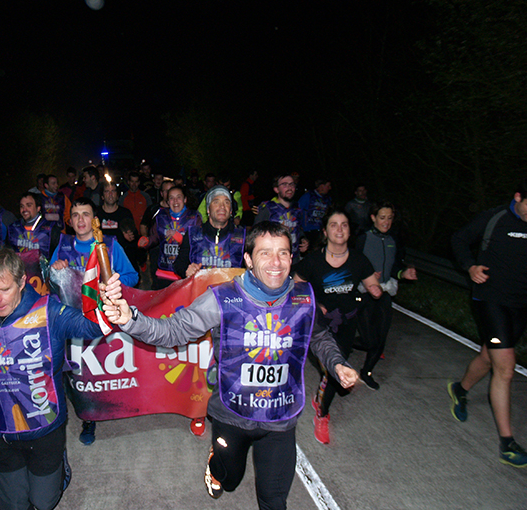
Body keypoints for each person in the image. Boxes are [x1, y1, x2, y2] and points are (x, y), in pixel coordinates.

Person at [101, 222, 358, 509]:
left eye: (283, 253)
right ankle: (217, 463)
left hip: (280, 417)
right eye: (265, 253)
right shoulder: (222, 298)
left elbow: (319, 336)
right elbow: (174, 330)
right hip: (232, 414)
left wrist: (337, 364)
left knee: (274, 499)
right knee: (230, 480)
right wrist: (130, 319)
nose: (276, 262)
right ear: (248, 259)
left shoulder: (303, 298)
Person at [0, 248, 106, 510]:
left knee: (44, 502)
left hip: (45, 428)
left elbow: (93, 326)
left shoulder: (49, 312)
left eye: (5, 289)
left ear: (22, 282)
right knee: (14, 505)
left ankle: (59, 469)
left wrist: (106, 303)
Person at [448, 179, 527, 467]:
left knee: (488, 356)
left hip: (520, 305)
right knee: (505, 367)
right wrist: (470, 266)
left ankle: (460, 389)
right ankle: (507, 443)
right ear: (518, 197)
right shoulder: (495, 218)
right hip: (490, 299)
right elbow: (459, 239)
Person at [51, 197, 139, 444]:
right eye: (75, 215)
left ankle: (100, 411)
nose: (80, 220)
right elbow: (50, 282)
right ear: (70, 221)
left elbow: (132, 276)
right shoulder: (63, 245)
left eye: (86, 214)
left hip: (102, 318)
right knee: (78, 374)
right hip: (72, 320)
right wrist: (55, 270)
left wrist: (110, 283)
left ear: (95, 219)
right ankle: (87, 416)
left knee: (100, 371)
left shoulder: (109, 245)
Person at [293, 208, 381, 445]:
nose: (339, 229)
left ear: (350, 231)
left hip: (347, 323)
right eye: (334, 224)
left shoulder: (359, 260)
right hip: (320, 324)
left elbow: (373, 284)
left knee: (336, 369)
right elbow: (297, 287)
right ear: (325, 231)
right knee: (333, 371)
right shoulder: (313, 261)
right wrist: (315, 304)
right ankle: (322, 415)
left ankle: (320, 401)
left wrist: (376, 289)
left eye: (344, 225)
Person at [173, 185, 246, 437]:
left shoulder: (243, 237)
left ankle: (227, 409)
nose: (222, 207)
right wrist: (186, 269)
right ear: (208, 208)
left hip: (232, 312)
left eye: (226, 203)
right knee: (200, 365)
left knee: (227, 365)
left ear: (231, 209)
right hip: (199, 310)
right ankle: (198, 411)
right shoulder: (192, 234)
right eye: (217, 202)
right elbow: (179, 264)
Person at [354, 201, 417, 390]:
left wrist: (403, 274)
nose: (386, 222)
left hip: (385, 292)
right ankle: (346, 341)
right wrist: (366, 275)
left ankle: (366, 372)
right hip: (364, 292)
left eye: (390, 218)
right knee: (368, 340)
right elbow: (351, 264)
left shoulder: (393, 240)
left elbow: (396, 266)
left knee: (380, 339)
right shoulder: (363, 238)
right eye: (382, 217)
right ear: (373, 218)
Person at [139, 185, 201, 289]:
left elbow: (199, 245)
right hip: (164, 273)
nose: (175, 201)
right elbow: (155, 237)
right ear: (168, 202)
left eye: (178, 197)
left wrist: (181, 239)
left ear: (185, 199)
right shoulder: (161, 217)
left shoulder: (194, 217)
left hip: (184, 274)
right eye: (171, 198)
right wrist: (146, 241)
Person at [255, 173, 308, 265]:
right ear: (276, 189)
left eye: (291, 184)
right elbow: (255, 234)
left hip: (294, 260)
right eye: (284, 184)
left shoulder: (297, 208)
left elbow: (298, 229)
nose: (289, 188)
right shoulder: (268, 209)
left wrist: (303, 240)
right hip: (273, 260)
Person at [96, 181, 140, 273]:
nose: (110, 194)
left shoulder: (125, 213)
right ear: (102, 196)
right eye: (107, 191)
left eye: (113, 191)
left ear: (117, 195)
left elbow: (134, 236)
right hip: (102, 260)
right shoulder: (96, 214)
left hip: (122, 261)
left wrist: (131, 237)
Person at [8, 192, 60, 260]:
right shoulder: (13, 228)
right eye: (22, 206)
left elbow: (58, 255)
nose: (24, 209)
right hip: (18, 266)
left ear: (38, 208)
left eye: (29, 205)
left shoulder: (51, 229)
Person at [298, 178, 332, 250]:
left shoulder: (328, 199)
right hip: (308, 230)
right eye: (328, 186)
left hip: (321, 230)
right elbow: (297, 211)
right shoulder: (308, 196)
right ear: (322, 186)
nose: (330, 188)